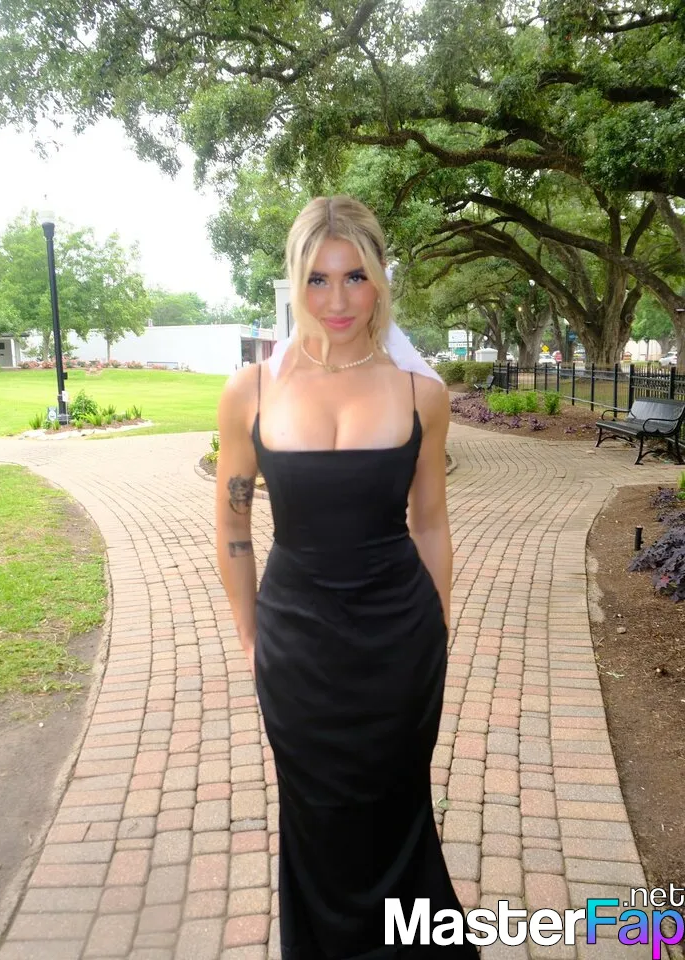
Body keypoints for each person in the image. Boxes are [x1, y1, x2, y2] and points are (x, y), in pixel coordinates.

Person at [216, 195, 478, 958]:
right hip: (297, 648)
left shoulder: (420, 394)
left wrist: (438, 628)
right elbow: (233, 524)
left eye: (355, 277)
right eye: (318, 279)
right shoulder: (252, 390)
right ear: (295, 281)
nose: (337, 300)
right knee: (317, 819)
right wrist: (250, 640)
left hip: (400, 645)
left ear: (380, 280)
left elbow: (431, 522)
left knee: (397, 809)